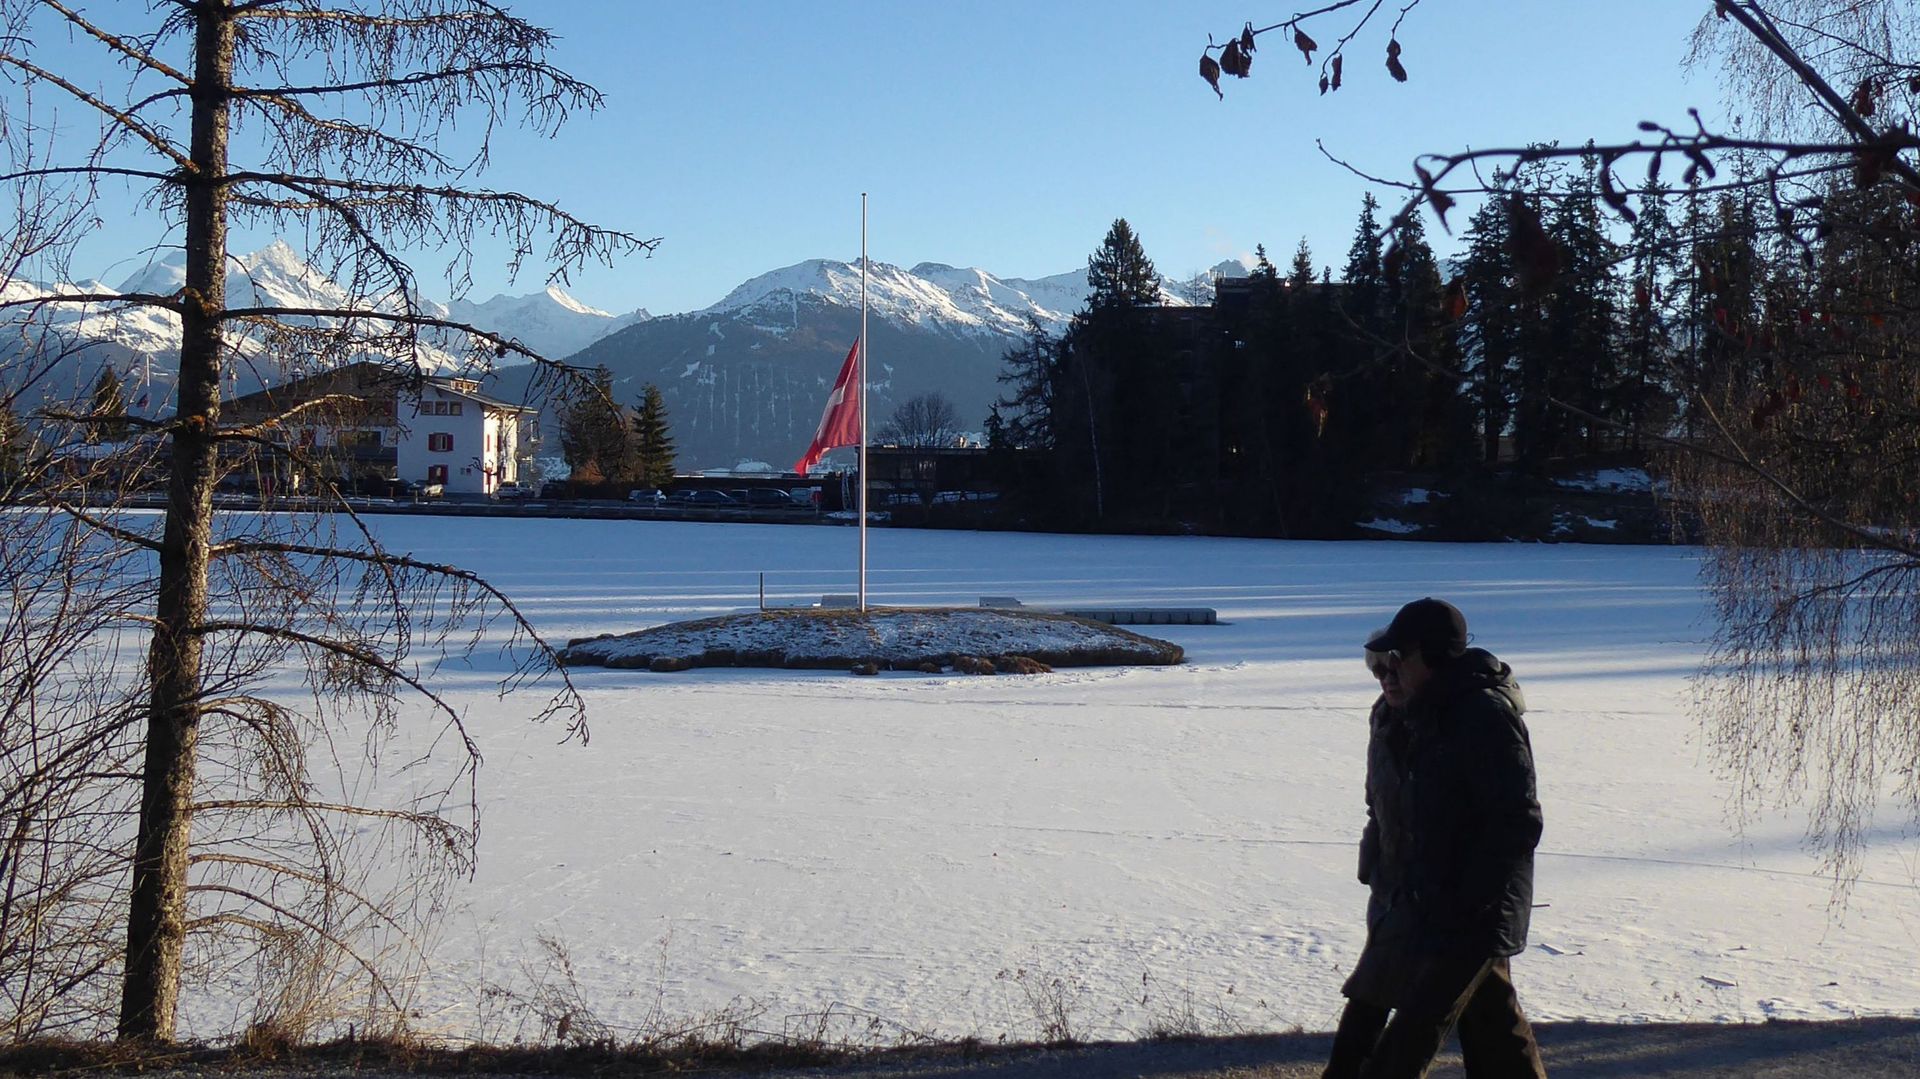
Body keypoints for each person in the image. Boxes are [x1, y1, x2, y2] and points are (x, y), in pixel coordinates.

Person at [1323, 598, 1547, 1079]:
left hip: (1467, 914)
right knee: (1491, 1027)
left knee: (1408, 1040)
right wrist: (1378, 863)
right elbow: (1382, 803)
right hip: (1406, 899)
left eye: (1398, 659)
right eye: (1381, 665)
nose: (1388, 673)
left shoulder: (1483, 717)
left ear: (1431, 657)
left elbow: (1516, 823)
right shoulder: (1394, 715)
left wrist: (1469, 900)